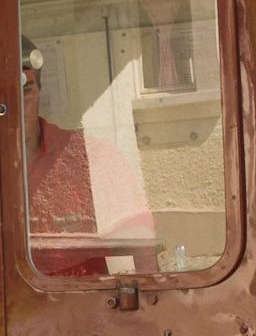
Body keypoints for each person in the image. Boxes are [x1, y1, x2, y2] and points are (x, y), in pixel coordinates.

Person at [21, 32, 157, 276]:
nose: (16, 103)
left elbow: (141, 243)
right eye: (3, 95)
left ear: (40, 91)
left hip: (85, 308)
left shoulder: (92, 157)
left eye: (26, 90)